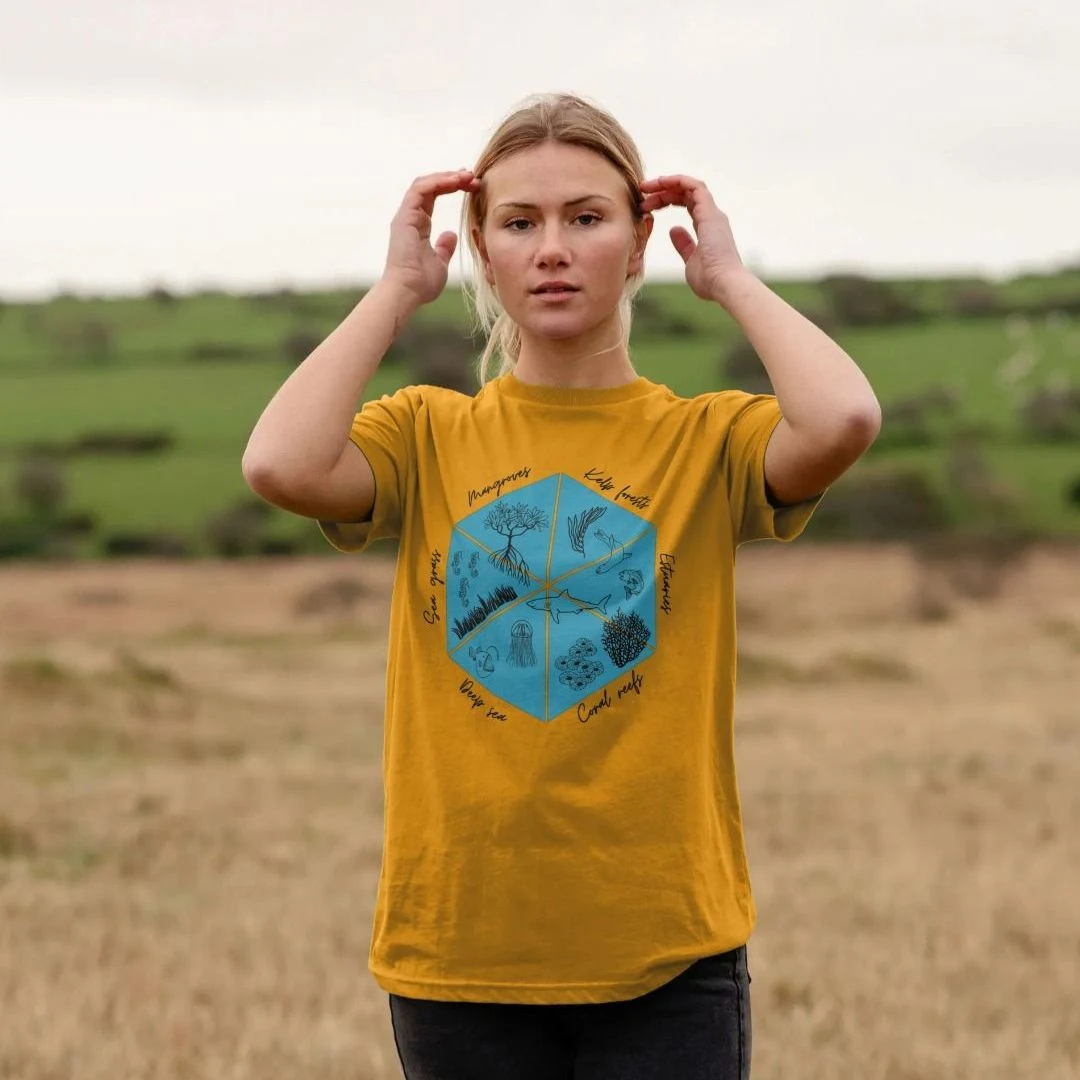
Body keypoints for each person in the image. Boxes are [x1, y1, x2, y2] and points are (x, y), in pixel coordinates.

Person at [242, 92, 881, 1080]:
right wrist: (397, 289)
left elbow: (842, 419)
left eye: (586, 218)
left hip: (666, 952)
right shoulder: (424, 434)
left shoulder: (705, 441)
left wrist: (729, 278)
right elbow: (279, 464)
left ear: (638, 243)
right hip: (457, 948)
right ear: (481, 249)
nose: (551, 250)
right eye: (518, 223)